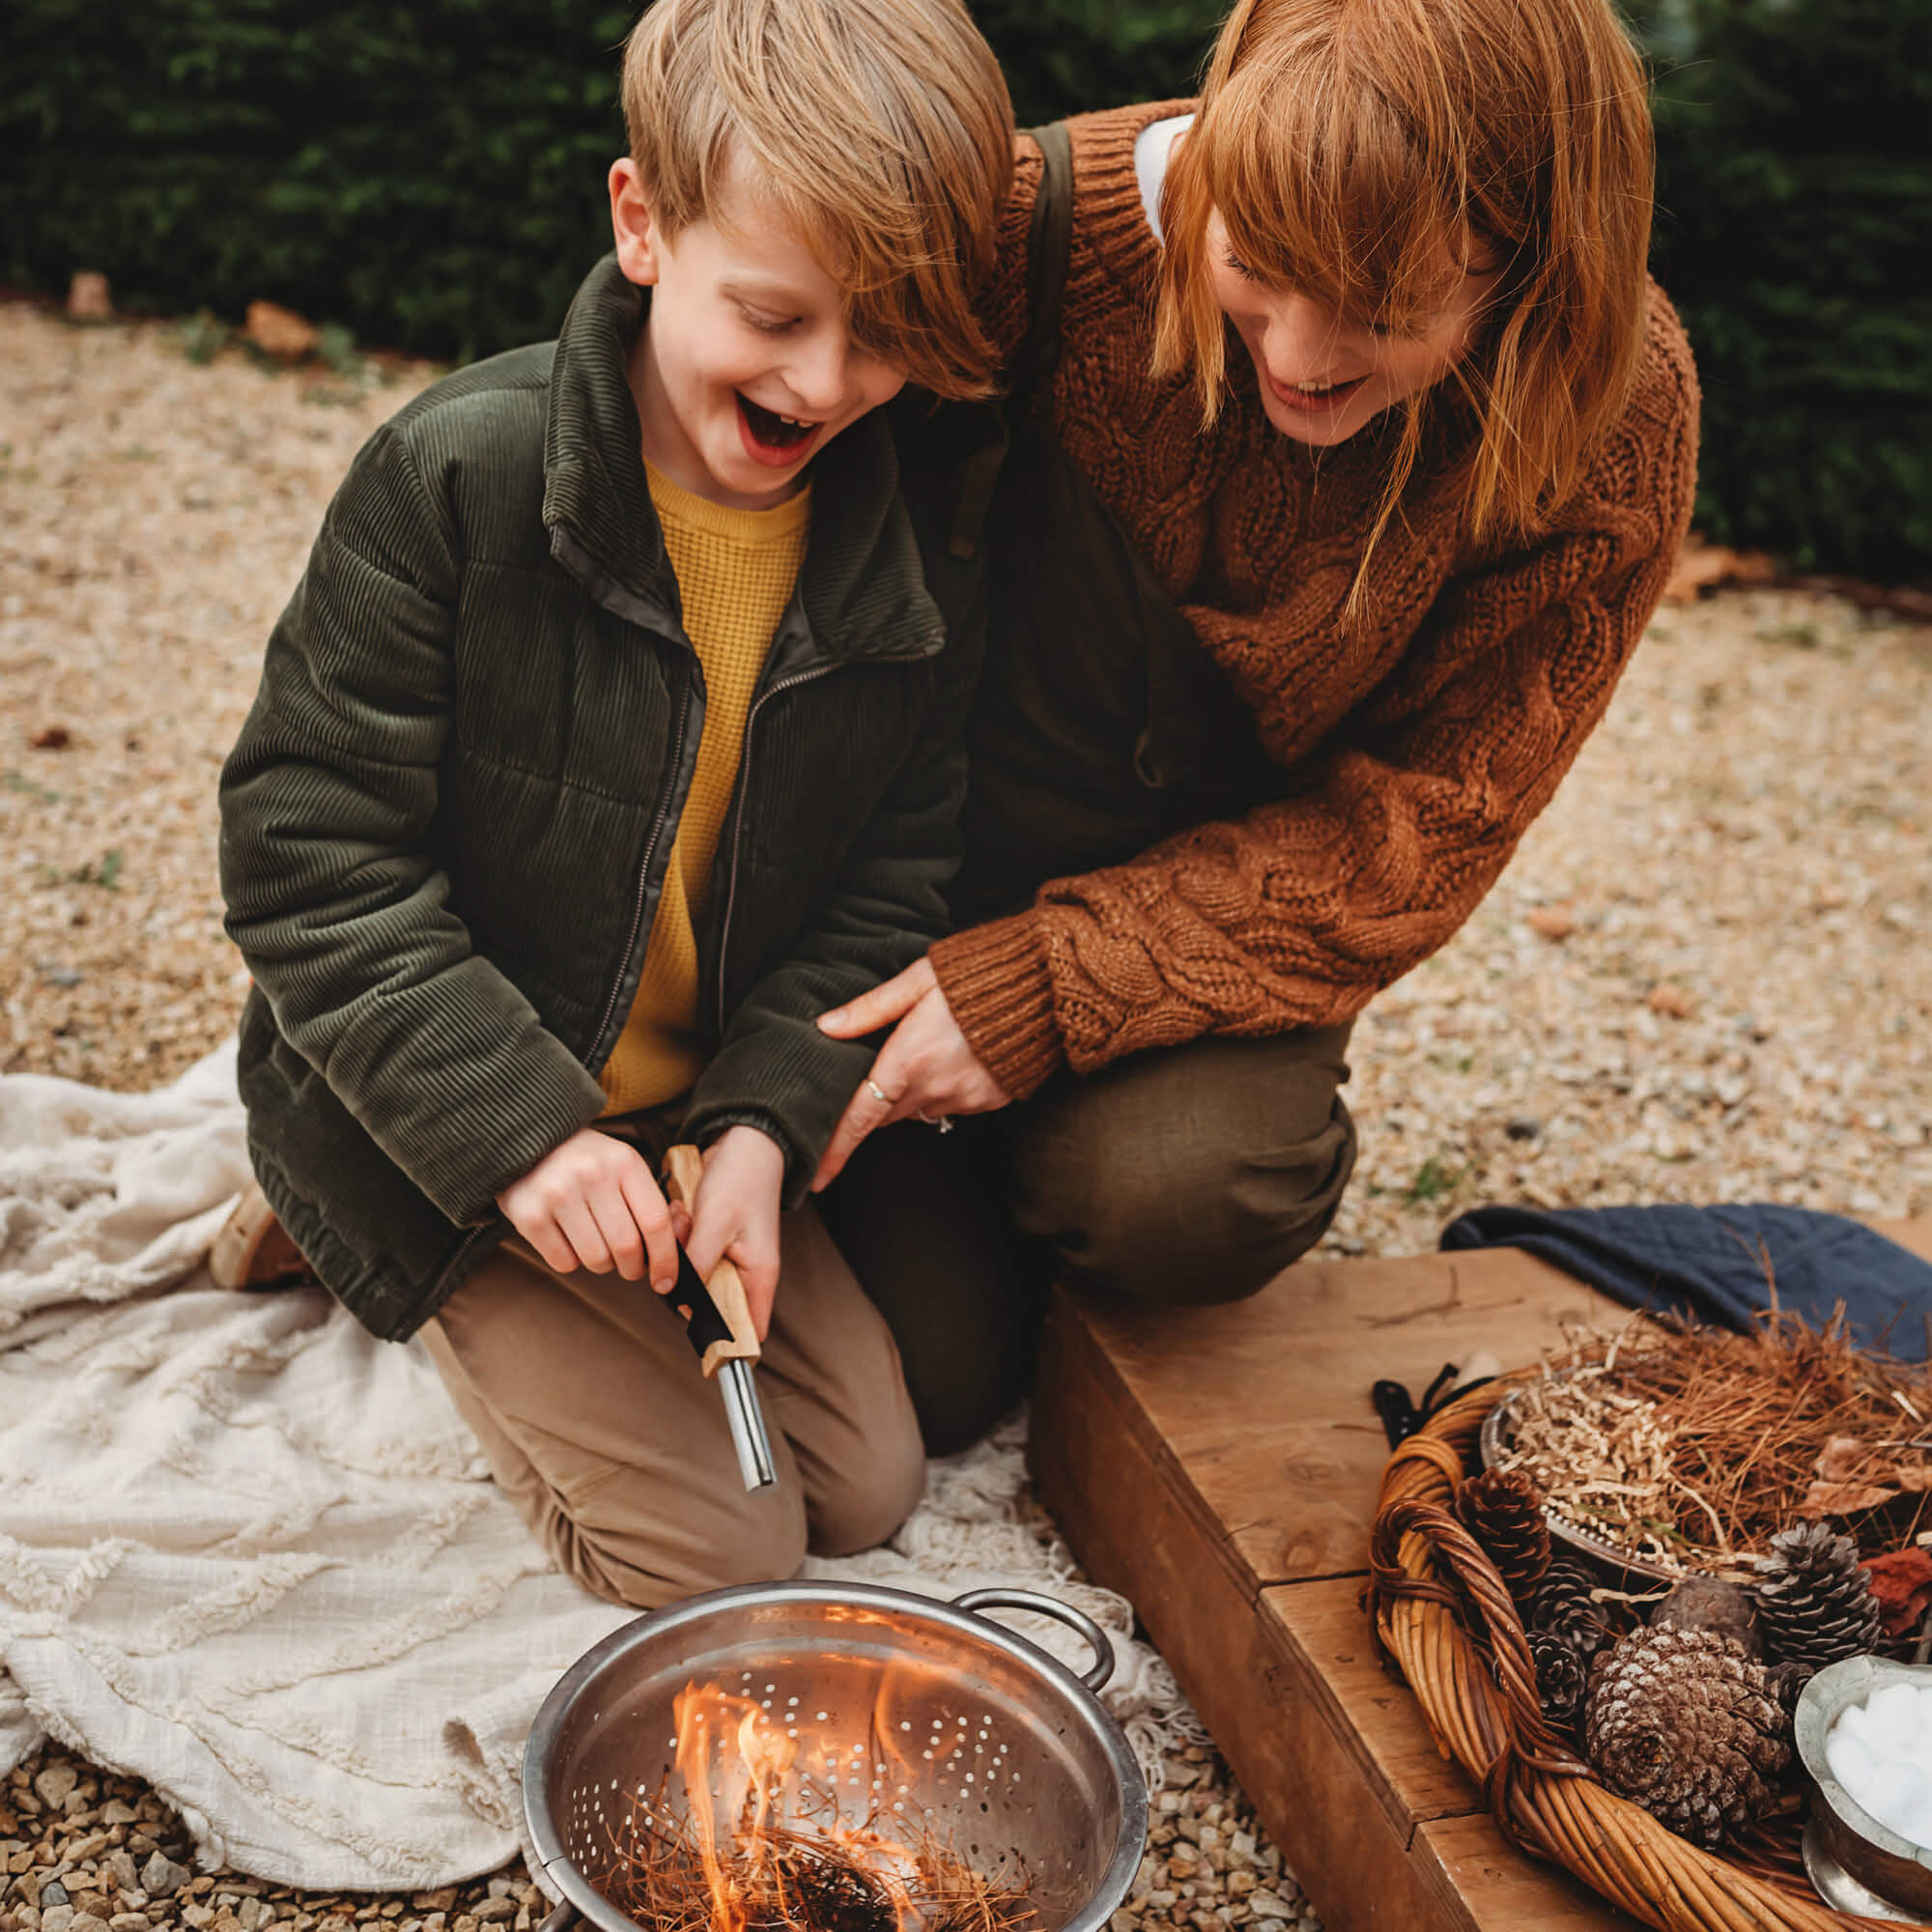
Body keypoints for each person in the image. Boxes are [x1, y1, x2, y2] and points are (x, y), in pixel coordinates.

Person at [810, 0, 1702, 1455]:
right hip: (872, 871)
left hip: (1216, 918)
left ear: (1540, 263)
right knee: (937, 1374)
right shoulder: (1027, 223)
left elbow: (1423, 822)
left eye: (1389, 313)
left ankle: (1014, 1150)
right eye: (1255, 270)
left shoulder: (1612, 423)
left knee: (1182, 1197)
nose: (1300, 352)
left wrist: (1046, 987)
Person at [216, 0, 1014, 1606]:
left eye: (880, 338)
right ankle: (359, 1226)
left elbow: (886, 883)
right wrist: (519, 1139)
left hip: (679, 1114)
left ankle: (562, 1227)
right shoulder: (458, 476)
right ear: (643, 222)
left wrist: (759, 1125)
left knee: (863, 1487)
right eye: (776, 315)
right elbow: (307, 853)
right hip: (474, 1101)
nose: (828, 381)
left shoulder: (902, 556)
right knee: (718, 1556)